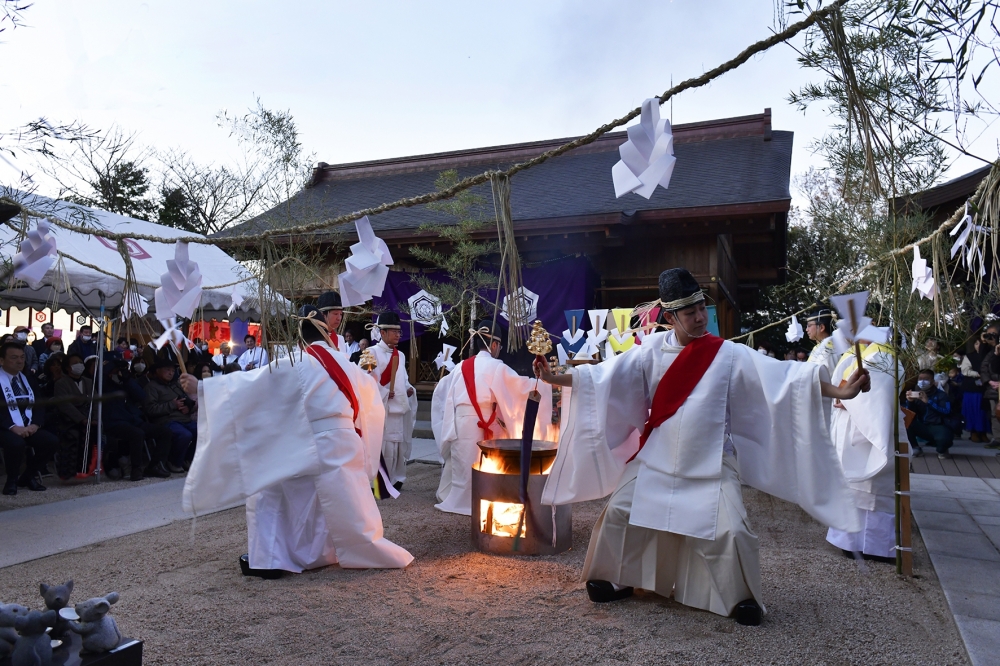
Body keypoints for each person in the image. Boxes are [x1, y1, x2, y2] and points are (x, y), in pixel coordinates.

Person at [535, 267, 867, 626]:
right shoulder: (649, 352)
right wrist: (552, 377)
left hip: (710, 459)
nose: (699, 317)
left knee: (732, 530)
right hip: (656, 458)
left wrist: (841, 390)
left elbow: (783, 380)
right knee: (619, 513)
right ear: (670, 317)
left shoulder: (727, 354)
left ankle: (738, 598)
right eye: (690, 312)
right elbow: (604, 378)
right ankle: (616, 578)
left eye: (700, 309)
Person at [179, 304, 413, 576]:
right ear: (327, 335)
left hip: (312, 443)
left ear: (300, 339)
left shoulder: (296, 363)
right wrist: (365, 451)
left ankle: (269, 559)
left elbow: (251, 387)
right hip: (346, 444)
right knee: (319, 501)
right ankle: (321, 552)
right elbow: (373, 404)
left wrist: (203, 388)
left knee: (267, 487)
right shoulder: (348, 366)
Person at [431, 320, 552, 515]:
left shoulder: (461, 366)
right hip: (485, 421)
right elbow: (519, 388)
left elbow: (440, 391)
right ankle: (482, 500)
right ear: (494, 345)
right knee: (484, 464)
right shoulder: (496, 366)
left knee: (463, 463)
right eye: (499, 346)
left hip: (461, 422)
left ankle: (458, 500)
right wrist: (544, 384)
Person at [825, 336, 903, 562]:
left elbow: (877, 397)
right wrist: (840, 397)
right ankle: (848, 540)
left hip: (867, 430)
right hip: (848, 424)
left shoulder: (882, 354)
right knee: (849, 486)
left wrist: (846, 399)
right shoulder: (856, 351)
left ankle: (873, 546)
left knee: (871, 488)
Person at [366, 312, 417, 490]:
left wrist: (409, 388)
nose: (397, 335)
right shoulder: (369, 353)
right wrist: (385, 392)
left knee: (397, 447)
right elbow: (364, 381)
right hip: (381, 409)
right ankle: (378, 482)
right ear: (382, 332)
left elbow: (402, 380)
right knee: (381, 446)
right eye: (393, 331)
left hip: (398, 409)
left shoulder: (400, 355)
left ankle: (396, 478)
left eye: (399, 331)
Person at [0, 342, 58, 495]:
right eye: (14, 358)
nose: (19, 361)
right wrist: (13, 427)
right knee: (16, 443)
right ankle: (11, 480)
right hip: (5, 427)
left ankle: (28, 476)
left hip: (28, 425)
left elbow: (39, 404)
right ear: (1, 360)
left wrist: (36, 424)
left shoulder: (28, 378)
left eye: (22, 357)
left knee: (51, 441)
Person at [103, 361, 172, 480]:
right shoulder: (104, 384)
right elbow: (102, 378)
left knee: (165, 432)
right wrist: (110, 369)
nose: (119, 372)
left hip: (133, 420)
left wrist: (127, 380)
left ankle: (154, 465)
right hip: (115, 422)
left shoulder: (126, 383)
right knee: (137, 434)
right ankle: (136, 469)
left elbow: (141, 396)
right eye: (117, 369)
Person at [144, 356, 197, 472]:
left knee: (204, 431)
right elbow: (150, 409)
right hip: (166, 420)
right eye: (167, 369)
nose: (171, 373)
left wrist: (188, 408)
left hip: (184, 418)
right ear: (158, 370)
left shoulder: (175, 385)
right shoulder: (151, 387)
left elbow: (187, 400)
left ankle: (188, 459)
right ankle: (174, 461)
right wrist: (172, 405)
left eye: (173, 370)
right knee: (185, 435)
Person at [51, 353, 96, 479]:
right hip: (69, 419)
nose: (79, 365)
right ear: (67, 367)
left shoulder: (88, 382)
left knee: (96, 435)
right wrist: (81, 419)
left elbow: (96, 401)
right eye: (75, 363)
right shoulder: (61, 383)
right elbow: (64, 404)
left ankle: (87, 469)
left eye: (81, 362)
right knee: (72, 437)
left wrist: (95, 418)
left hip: (89, 416)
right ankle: (68, 472)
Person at [904, 368, 954, 459]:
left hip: (938, 426)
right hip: (922, 425)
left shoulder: (941, 395)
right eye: (920, 379)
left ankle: (942, 449)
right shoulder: (916, 394)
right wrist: (910, 401)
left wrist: (928, 402)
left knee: (944, 439)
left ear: (932, 381)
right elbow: (910, 414)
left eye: (926, 379)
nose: (922, 382)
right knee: (905, 422)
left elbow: (947, 412)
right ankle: (915, 447)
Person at [961, 341, 990, 442]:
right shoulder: (969, 356)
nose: (978, 345)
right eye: (976, 343)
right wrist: (977, 374)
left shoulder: (989, 355)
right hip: (972, 387)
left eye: (981, 343)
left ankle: (983, 432)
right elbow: (965, 370)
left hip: (985, 387)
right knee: (972, 410)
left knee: (983, 411)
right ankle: (973, 432)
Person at [805, 307, 837, 377]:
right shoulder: (818, 347)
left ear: (821, 327)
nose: (807, 329)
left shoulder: (828, 348)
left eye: (809, 326)